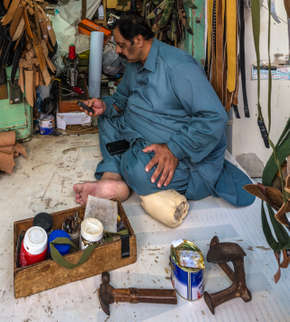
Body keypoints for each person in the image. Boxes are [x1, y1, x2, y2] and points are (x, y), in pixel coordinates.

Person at [74, 15, 254, 207]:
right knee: (107, 118)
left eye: (121, 45)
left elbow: (214, 116)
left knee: (140, 172)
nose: (118, 50)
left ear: (139, 40)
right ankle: (112, 175)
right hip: (138, 131)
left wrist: (174, 149)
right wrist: (106, 105)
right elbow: (121, 99)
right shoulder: (134, 64)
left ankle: (125, 168)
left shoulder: (178, 67)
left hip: (174, 144)